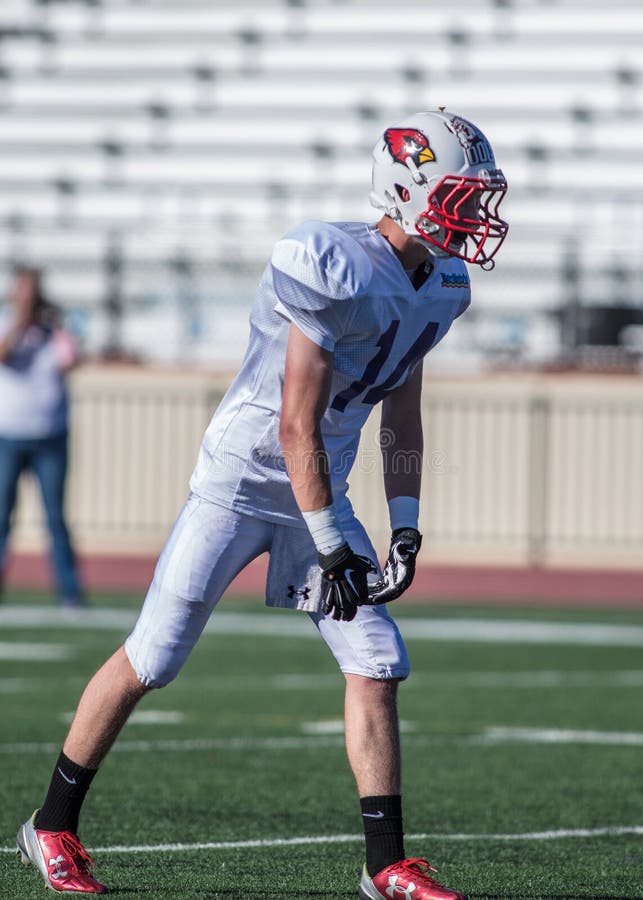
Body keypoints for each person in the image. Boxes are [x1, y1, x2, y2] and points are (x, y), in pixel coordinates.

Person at [16, 109, 508, 898]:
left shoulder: (441, 285)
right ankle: (51, 825)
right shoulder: (330, 261)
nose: (473, 213)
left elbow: (403, 414)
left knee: (376, 663)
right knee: (154, 657)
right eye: (458, 194)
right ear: (408, 189)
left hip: (320, 490)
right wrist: (334, 542)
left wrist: (406, 524)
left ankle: (383, 864)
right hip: (241, 482)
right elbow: (293, 421)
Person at [0, 266, 84, 607]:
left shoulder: (53, 329)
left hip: (50, 435)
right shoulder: (7, 321)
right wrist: (21, 322)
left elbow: (71, 360)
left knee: (55, 518)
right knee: (2, 516)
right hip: (9, 434)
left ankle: (69, 593)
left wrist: (54, 325)